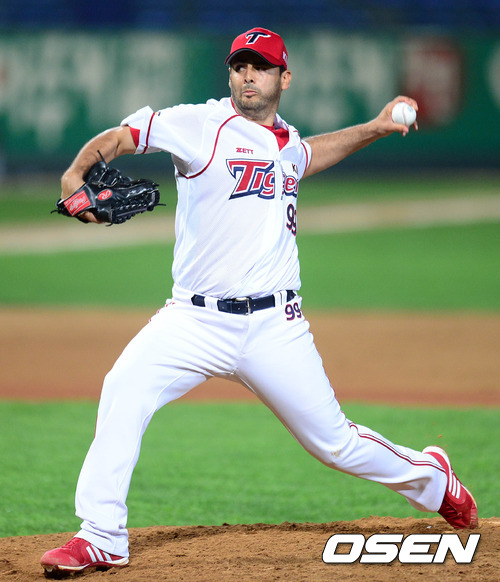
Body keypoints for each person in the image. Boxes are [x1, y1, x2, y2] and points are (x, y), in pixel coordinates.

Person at [41, 27, 477, 574]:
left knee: (334, 444)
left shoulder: (286, 142)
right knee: (123, 388)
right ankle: (101, 535)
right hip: (193, 320)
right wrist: (75, 172)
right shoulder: (200, 124)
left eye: (261, 66)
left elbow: (308, 154)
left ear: (283, 78)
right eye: (240, 65)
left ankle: (432, 478)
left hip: (276, 327)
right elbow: (123, 137)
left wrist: (376, 127)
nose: (248, 75)